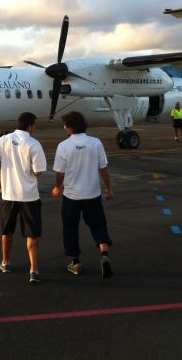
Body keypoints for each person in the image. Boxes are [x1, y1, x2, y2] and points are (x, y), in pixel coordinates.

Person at [52, 111, 114, 279]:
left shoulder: (64, 146)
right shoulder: (95, 143)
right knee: (98, 225)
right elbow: (104, 170)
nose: (64, 128)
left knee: (71, 227)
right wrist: (109, 189)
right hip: (92, 194)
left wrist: (57, 187)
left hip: (72, 195)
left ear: (70, 127)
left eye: (65, 125)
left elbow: (60, 173)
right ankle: (104, 255)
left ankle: (75, 262)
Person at [0, 112, 47, 283]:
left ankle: (5, 262)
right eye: (34, 125)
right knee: (32, 235)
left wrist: (1, 177)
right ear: (30, 126)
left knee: (7, 231)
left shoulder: (4, 140)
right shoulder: (34, 143)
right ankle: (33, 270)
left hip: (8, 195)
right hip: (29, 196)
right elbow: (38, 171)